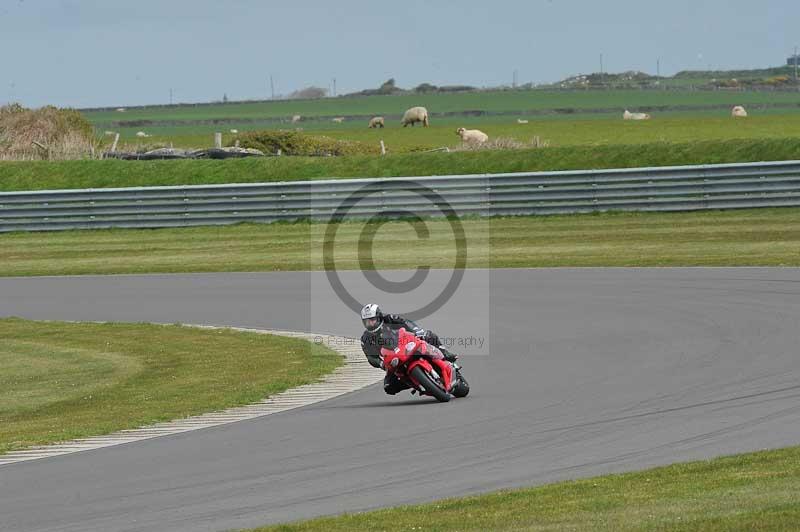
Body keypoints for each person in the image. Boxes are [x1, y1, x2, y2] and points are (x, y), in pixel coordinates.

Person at [360, 303, 457, 395]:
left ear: (379, 317)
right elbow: (370, 357)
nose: (370, 324)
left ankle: (445, 353)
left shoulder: (389, 319)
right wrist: (381, 364)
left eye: (372, 320)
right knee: (389, 387)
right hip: (393, 359)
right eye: (366, 321)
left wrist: (417, 331)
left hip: (406, 345)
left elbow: (405, 322)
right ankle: (416, 382)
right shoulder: (366, 338)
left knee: (429, 335)